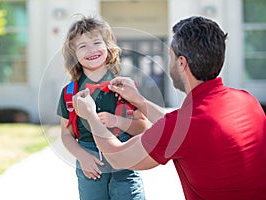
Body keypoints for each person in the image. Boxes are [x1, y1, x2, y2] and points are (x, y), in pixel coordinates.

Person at [72, 16, 266, 199]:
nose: (169, 64)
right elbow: (180, 126)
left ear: (182, 63)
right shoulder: (247, 101)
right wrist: (139, 100)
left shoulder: (185, 125)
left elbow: (118, 158)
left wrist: (91, 115)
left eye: (171, 57)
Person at [56, 15, 147, 200]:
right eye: (82, 46)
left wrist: (118, 121)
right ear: (74, 55)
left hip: (125, 159)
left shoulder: (124, 86)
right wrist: (83, 157)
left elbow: (142, 127)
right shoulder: (70, 92)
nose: (91, 50)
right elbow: (66, 135)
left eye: (97, 42)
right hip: (90, 163)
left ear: (108, 47)